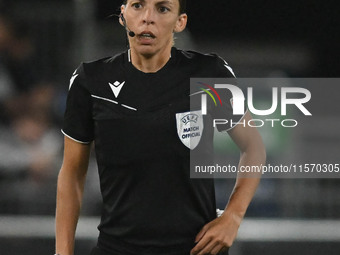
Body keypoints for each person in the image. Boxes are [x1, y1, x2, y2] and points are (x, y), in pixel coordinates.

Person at [55, 0, 266, 255]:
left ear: (180, 21)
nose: (148, 17)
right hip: (117, 248)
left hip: (195, 248)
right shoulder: (91, 81)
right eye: (138, 6)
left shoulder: (209, 74)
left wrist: (233, 217)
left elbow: (253, 148)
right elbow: (72, 174)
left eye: (162, 8)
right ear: (123, 15)